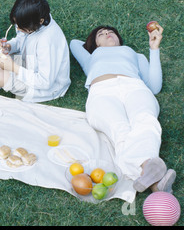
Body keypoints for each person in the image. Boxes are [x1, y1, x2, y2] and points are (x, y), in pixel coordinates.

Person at [70, 24, 176, 193]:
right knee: (120, 130)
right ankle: (155, 181)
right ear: (94, 44)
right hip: (102, 92)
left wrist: (154, 49)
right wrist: (94, 46)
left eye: (111, 32)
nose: (107, 33)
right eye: (101, 34)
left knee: (146, 120)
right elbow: (74, 43)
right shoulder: (90, 58)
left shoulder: (135, 55)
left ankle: (149, 175)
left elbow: (154, 86)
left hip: (134, 87)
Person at [0, 0, 71, 102]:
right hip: (27, 64)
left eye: (21, 27)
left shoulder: (47, 41)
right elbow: (20, 40)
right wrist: (9, 46)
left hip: (44, 87)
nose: (17, 29)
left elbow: (45, 82)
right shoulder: (30, 21)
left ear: (40, 21)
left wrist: (13, 67)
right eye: (17, 25)